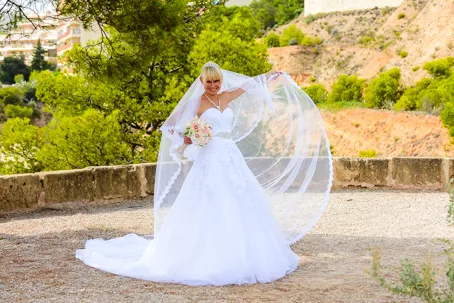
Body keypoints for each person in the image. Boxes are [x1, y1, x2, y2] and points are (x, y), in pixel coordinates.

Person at [76, 62, 333, 286]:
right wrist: (189, 138)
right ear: (202, 81)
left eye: (217, 80)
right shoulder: (195, 103)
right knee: (208, 200)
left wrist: (270, 75)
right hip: (209, 157)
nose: (213, 85)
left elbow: (251, 85)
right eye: (209, 81)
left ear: (221, 81)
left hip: (230, 155)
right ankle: (204, 254)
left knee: (240, 198)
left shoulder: (227, 97)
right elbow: (170, 127)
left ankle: (247, 254)